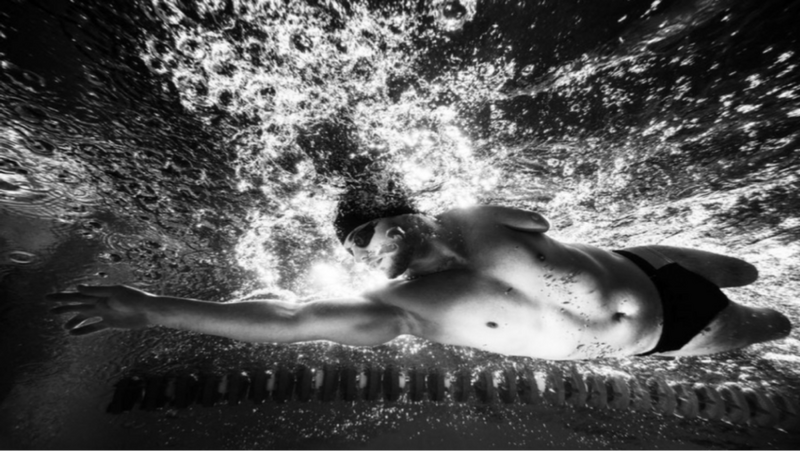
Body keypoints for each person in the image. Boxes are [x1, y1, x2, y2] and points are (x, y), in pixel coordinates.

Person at [47, 205, 792, 360]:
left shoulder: (473, 216)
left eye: (389, 220)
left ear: (413, 211)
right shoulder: (395, 305)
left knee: (749, 271)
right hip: (664, 333)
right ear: (360, 259)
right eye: (365, 239)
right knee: (776, 326)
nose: (385, 238)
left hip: (647, 263)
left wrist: (484, 223)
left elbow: (537, 217)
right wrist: (150, 309)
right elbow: (287, 317)